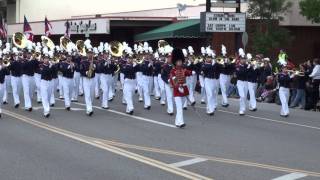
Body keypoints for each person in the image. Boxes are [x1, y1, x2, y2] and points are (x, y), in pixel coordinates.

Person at [169, 48, 192, 128]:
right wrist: (178, 87)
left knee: (181, 107)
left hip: (184, 90)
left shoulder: (183, 70)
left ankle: (177, 121)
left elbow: (189, 73)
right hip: (177, 91)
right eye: (178, 61)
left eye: (180, 61)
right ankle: (181, 122)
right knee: (179, 107)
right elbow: (174, 80)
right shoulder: (173, 71)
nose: (180, 62)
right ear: (175, 62)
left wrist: (193, 71)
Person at [80, 50, 96, 116]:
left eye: (91, 53)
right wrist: (86, 72)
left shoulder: (95, 62)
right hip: (86, 79)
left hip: (93, 79)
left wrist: (95, 67)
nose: (90, 55)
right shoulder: (83, 62)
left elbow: (99, 70)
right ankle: (89, 109)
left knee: (92, 94)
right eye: (89, 53)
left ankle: (90, 106)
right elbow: (81, 71)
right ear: (86, 54)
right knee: (87, 95)